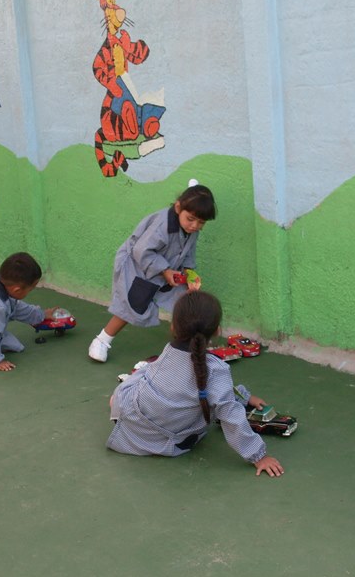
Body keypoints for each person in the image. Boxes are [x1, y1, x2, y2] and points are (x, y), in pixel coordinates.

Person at [107, 291, 285, 477]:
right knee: (202, 398)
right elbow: (230, 415)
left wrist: (244, 397)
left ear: (173, 327)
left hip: (134, 424)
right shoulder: (216, 369)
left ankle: (118, 405)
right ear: (217, 330)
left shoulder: (169, 351)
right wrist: (259, 456)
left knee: (136, 380)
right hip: (174, 439)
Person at [89, 181, 216, 363]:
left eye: (201, 222)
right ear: (178, 208)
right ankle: (102, 340)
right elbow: (142, 250)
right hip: (137, 266)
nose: (195, 226)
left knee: (184, 300)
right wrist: (165, 270)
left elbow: (189, 250)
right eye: (191, 219)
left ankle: (187, 344)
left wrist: (188, 273)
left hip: (167, 267)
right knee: (132, 305)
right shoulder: (162, 225)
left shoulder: (191, 228)